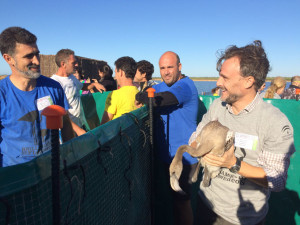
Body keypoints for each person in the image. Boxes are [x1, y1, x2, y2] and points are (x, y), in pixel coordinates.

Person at [189, 41, 295, 225]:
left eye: (225, 78)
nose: (218, 83)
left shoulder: (274, 122)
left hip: (242, 219)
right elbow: (194, 139)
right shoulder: (217, 107)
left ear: (249, 81)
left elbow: (277, 180)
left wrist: (233, 163)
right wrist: (199, 147)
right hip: (206, 205)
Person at [136, 51, 199, 225]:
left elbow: (163, 100)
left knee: (182, 202)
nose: (166, 72)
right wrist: (142, 95)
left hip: (183, 158)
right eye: (162, 68)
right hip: (163, 155)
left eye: (170, 67)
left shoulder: (185, 85)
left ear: (179, 67)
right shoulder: (161, 85)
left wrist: (143, 96)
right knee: (165, 200)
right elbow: (147, 93)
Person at [0, 27, 74, 167]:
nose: (37, 61)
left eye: (37, 54)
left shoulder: (54, 87)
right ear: (9, 59)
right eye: (29, 56)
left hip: (52, 172)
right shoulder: (2, 94)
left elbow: (65, 124)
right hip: (15, 177)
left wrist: (69, 155)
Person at [51, 49, 106, 136]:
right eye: (73, 63)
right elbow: (59, 112)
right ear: (63, 64)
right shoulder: (54, 83)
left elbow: (83, 86)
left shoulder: (71, 77)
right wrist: (78, 130)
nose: (76, 65)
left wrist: (94, 84)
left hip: (80, 125)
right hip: (67, 130)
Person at [100, 56, 139, 124]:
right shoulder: (139, 94)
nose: (115, 76)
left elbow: (103, 125)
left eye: (115, 72)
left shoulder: (114, 95)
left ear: (120, 72)